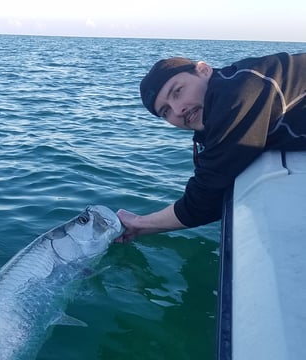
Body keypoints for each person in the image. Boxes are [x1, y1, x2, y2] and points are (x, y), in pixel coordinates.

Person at [116, 52, 306, 243]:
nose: (178, 110)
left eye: (178, 91)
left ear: (204, 70)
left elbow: (204, 200)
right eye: (166, 111)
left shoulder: (239, 93)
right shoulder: (228, 94)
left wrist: (139, 223)